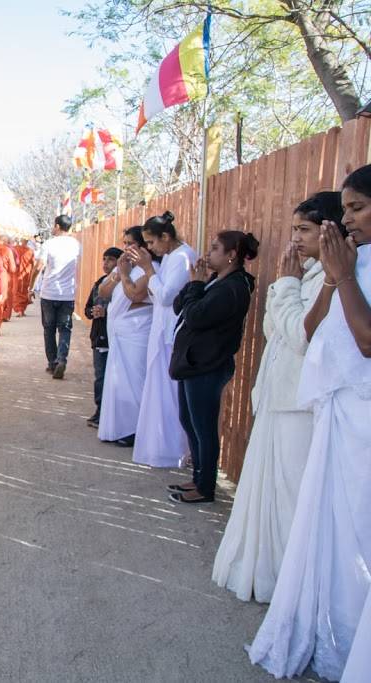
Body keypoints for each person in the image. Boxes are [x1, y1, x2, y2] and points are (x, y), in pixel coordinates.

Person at [248, 165, 371, 680]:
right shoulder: (353, 261)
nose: (347, 222)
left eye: (357, 209)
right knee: (335, 535)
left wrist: (339, 278)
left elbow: (365, 341)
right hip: (338, 415)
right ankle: (333, 630)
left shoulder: (345, 267)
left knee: (356, 537)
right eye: (344, 211)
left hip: (359, 416)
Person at [212, 192, 338, 603]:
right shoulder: (308, 273)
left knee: (289, 497)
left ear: (330, 229)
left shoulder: (332, 278)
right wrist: (288, 286)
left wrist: (286, 284)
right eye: (294, 230)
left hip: (298, 404)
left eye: (304, 230)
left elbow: (300, 334)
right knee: (270, 490)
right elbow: (274, 326)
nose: (296, 239)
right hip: (278, 395)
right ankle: (264, 573)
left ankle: (285, 581)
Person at [167, 230, 260, 504]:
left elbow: (195, 316)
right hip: (193, 364)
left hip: (207, 366)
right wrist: (193, 285)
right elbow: (178, 307)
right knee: (190, 422)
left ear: (232, 255)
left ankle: (205, 487)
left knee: (203, 426)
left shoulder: (233, 288)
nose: (208, 253)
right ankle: (198, 478)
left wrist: (194, 287)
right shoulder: (215, 281)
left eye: (215, 248)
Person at [129, 212, 197, 468]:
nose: (150, 248)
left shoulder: (182, 257)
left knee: (169, 397)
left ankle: (173, 451)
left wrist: (148, 270)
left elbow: (167, 296)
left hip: (171, 337)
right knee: (159, 394)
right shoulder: (171, 257)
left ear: (165, 236)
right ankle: (160, 449)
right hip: (162, 333)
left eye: (152, 242)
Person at [97, 227, 153, 447]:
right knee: (118, 382)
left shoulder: (151, 270)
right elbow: (103, 291)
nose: (126, 248)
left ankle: (137, 429)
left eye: (131, 243)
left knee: (136, 381)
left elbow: (135, 294)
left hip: (138, 332)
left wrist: (125, 274)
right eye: (125, 243)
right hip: (118, 331)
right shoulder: (123, 266)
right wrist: (118, 274)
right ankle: (120, 426)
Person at [34, 215, 81, 379]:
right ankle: (62, 359)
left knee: (49, 329)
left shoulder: (49, 244)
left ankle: (52, 363)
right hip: (67, 294)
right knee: (65, 328)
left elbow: (39, 265)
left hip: (49, 292)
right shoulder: (76, 245)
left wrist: (31, 282)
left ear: (57, 226)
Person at [84, 247, 123, 427]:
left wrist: (106, 312)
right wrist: (94, 311)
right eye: (104, 259)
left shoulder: (123, 285)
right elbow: (87, 309)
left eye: (111, 260)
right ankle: (100, 410)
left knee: (114, 378)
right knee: (100, 376)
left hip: (114, 337)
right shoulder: (99, 283)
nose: (106, 263)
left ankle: (111, 414)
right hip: (99, 337)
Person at [12, 238, 36, 316]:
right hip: (26, 274)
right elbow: (33, 263)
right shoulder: (30, 251)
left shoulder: (15, 249)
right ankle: (21, 310)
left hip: (16, 273)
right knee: (24, 291)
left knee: (17, 292)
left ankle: (19, 310)